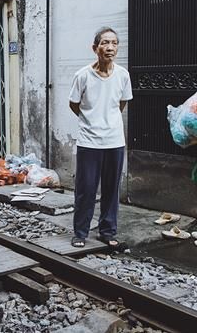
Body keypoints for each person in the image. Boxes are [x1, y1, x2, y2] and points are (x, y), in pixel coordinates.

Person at [68, 27, 133, 250]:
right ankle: (80, 232)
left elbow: (122, 103)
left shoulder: (123, 75)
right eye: (105, 43)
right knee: (86, 189)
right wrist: (91, 120)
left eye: (114, 43)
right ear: (95, 48)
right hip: (89, 142)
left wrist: (107, 121)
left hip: (115, 141)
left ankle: (108, 231)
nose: (110, 48)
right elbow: (74, 104)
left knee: (111, 189)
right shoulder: (83, 75)